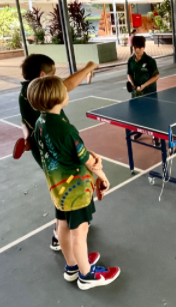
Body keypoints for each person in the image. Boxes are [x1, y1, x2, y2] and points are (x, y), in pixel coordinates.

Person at [27, 76, 121, 290]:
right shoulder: (67, 130)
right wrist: (103, 177)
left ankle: (72, 266)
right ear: (59, 98)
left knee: (61, 224)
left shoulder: (40, 124)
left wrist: (89, 154)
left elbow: (43, 155)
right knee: (80, 232)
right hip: (76, 190)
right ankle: (86, 275)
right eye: (64, 90)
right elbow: (85, 160)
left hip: (58, 189)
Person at [19, 54, 100, 252]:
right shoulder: (63, 129)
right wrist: (89, 66)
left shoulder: (28, 93)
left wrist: (26, 135)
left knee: (60, 195)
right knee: (72, 200)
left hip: (48, 158)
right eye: (54, 76)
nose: (60, 84)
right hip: (62, 160)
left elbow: (24, 122)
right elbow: (66, 86)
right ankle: (74, 255)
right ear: (41, 76)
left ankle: (63, 234)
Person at [127, 36, 160, 144]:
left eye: (139, 47)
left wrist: (144, 85)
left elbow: (156, 76)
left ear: (144, 47)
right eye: (135, 47)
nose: (137, 50)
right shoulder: (130, 61)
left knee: (151, 115)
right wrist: (132, 84)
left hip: (149, 93)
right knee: (137, 114)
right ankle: (139, 130)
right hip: (136, 94)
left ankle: (155, 136)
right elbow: (129, 74)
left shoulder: (150, 61)